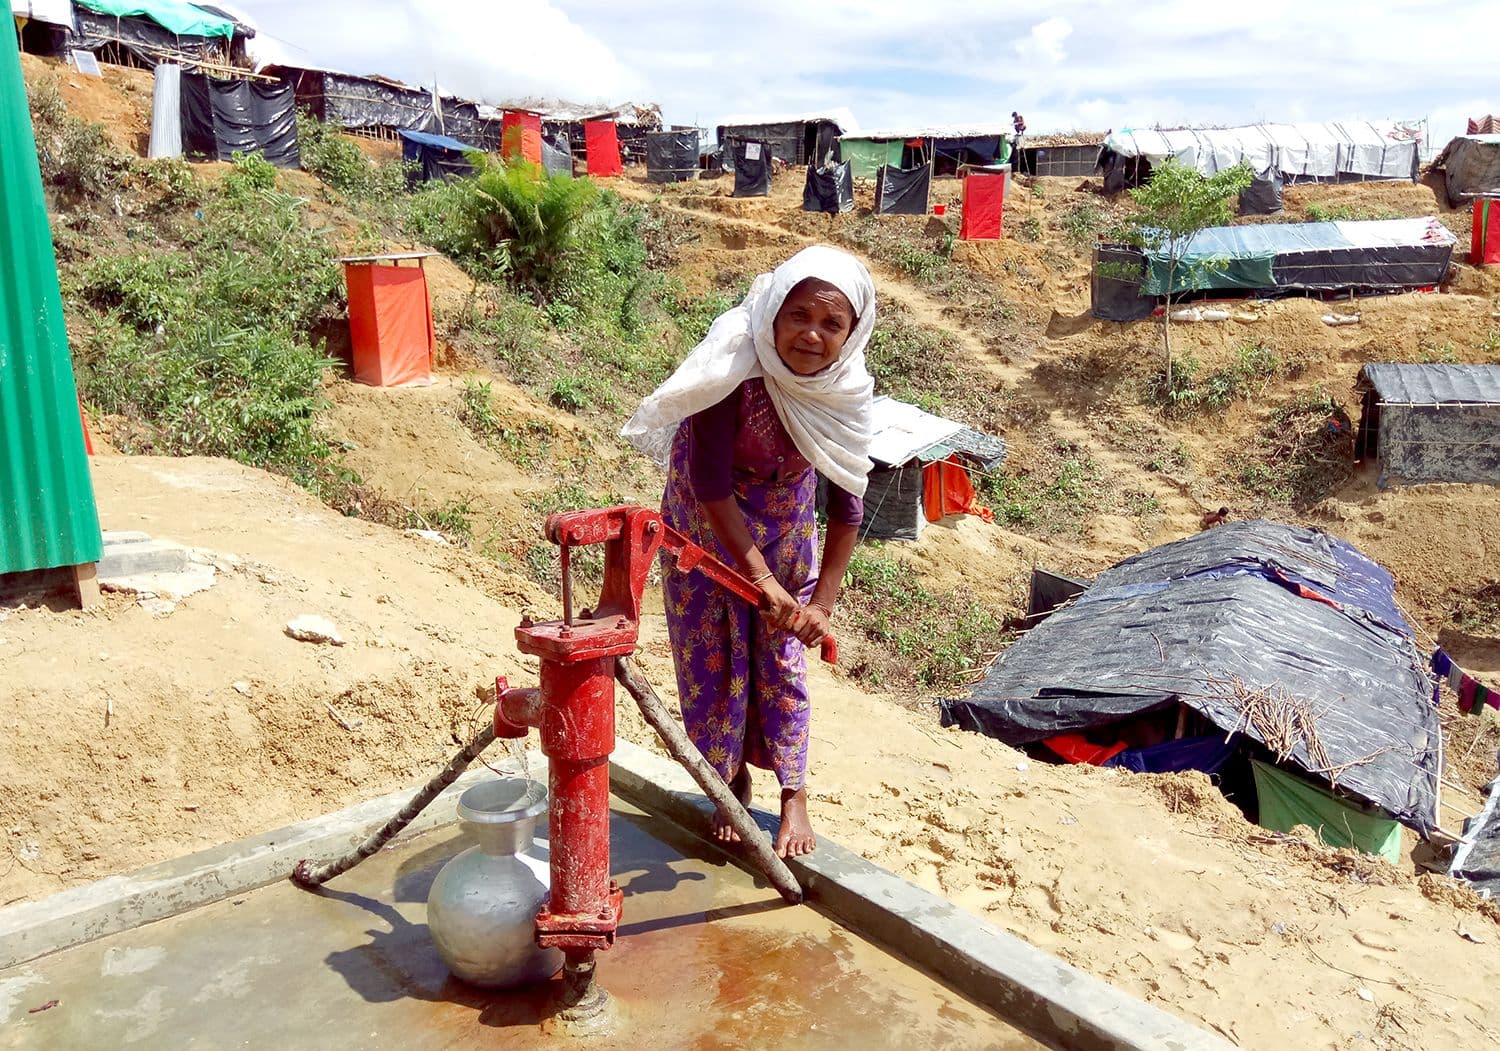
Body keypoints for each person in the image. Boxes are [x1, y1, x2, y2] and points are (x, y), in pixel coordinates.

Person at [622, 245, 876, 858]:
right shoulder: (733, 365)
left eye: (831, 323)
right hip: (707, 524)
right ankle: (728, 780)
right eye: (799, 316)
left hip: (787, 525)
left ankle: (793, 793)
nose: (812, 335)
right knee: (709, 654)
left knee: (782, 657)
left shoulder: (844, 392)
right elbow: (709, 483)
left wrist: (821, 605)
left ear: (852, 333)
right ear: (774, 314)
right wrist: (758, 577)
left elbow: (847, 507)